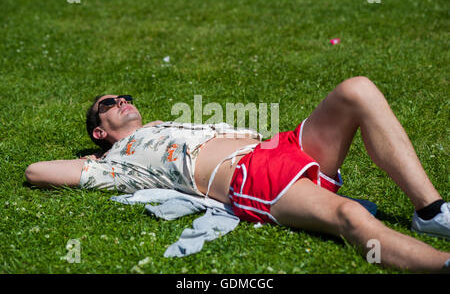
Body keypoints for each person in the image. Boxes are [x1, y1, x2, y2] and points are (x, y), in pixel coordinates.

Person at [25, 76, 450, 272]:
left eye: (123, 96)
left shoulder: (163, 126)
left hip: (278, 146)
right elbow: (35, 170)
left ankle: (429, 210)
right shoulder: (117, 162)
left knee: (356, 90)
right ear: (99, 132)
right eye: (108, 103)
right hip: (251, 176)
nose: (119, 101)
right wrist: (93, 163)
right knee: (351, 219)